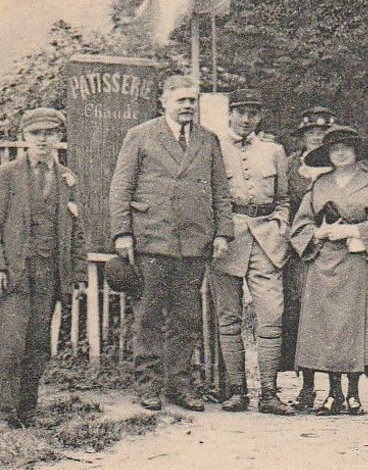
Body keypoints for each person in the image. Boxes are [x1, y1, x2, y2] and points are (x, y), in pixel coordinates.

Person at [108, 75, 233, 412]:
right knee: (148, 315)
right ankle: (147, 385)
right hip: (152, 241)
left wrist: (222, 233)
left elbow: (220, 192)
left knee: (186, 318)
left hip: (193, 243)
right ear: (163, 101)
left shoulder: (208, 140)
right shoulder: (141, 136)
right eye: (181, 100)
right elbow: (121, 187)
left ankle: (179, 385)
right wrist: (122, 232)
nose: (188, 106)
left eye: (193, 100)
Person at [289, 124, 368, 415]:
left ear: (356, 151)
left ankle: (353, 393)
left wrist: (350, 230)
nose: (340, 154)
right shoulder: (319, 184)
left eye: (346, 148)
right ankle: (332, 392)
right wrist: (320, 233)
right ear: (328, 155)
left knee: (352, 326)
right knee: (326, 328)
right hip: (323, 262)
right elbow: (300, 225)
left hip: (356, 261)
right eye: (334, 150)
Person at [208, 89, 294, 415]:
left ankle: (269, 393)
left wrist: (282, 222)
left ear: (260, 117)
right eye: (240, 112)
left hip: (266, 239)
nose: (246, 120)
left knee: (271, 316)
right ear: (229, 113)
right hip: (227, 238)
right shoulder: (212, 147)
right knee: (229, 318)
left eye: (252, 113)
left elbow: (283, 198)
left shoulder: (273, 151)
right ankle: (236, 390)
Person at [0, 109, 80, 427]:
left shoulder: (66, 178)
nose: (43, 139)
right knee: (11, 343)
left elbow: (77, 229)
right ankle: (6, 411)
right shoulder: (7, 174)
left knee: (37, 343)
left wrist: (74, 273)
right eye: (37, 133)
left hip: (49, 271)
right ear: (25, 137)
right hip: (17, 271)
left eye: (50, 133)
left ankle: (26, 411)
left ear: (59, 138)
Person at [281, 105, 336, 411]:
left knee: (335, 316)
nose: (317, 138)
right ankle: (307, 385)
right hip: (301, 252)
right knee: (302, 316)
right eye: (311, 132)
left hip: (336, 252)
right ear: (303, 136)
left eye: (322, 132)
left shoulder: (342, 166)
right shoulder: (290, 166)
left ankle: (338, 388)